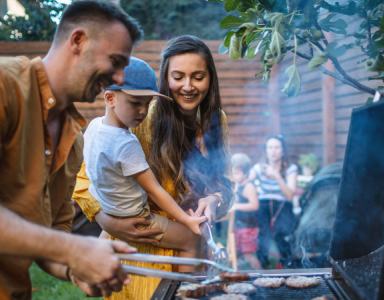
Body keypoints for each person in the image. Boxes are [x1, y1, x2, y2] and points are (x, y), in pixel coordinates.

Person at [0, 1, 144, 299]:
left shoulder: (75, 138)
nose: (119, 78)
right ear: (78, 41)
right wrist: (73, 250)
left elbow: (55, 230)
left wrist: (75, 269)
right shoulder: (5, 86)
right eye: (115, 61)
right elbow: (61, 243)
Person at [73, 35, 234, 300]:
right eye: (178, 76)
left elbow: (225, 183)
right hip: (141, 249)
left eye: (198, 76)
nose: (188, 86)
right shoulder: (141, 115)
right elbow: (87, 179)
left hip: (192, 250)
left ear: (210, 79)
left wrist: (215, 200)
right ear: (165, 78)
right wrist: (109, 221)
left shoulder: (217, 121)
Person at [84, 57, 207, 250]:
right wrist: (186, 220)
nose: (142, 111)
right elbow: (154, 190)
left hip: (108, 206)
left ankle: (92, 266)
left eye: (147, 103)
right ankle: (185, 282)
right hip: (135, 217)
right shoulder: (126, 144)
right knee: (192, 240)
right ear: (110, 98)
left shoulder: (93, 126)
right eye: (135, 103)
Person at [249, 135, 298, 269]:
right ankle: (264, 265)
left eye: (277, 147)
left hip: (283, 205)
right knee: (263, 234)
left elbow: (289, 195)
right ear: (265, 150)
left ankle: (288, 265)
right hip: (264, 204)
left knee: (281, 234)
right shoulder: (259, 168)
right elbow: (245, 181)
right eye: (270, 147)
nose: (273, 151)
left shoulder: (290, 168)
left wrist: (276, 175)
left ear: (283, 151)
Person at [230, 153, 262, 270]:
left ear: (245, 173)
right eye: (232, 173)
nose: (234, 176)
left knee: (248, 254)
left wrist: (237, 206)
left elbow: (254, 205)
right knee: (237, 253)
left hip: (249, 227)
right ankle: (237, 275)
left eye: (236, 173)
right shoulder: (239, 185)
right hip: (239, 225)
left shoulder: (249, 186)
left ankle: (261, 275)